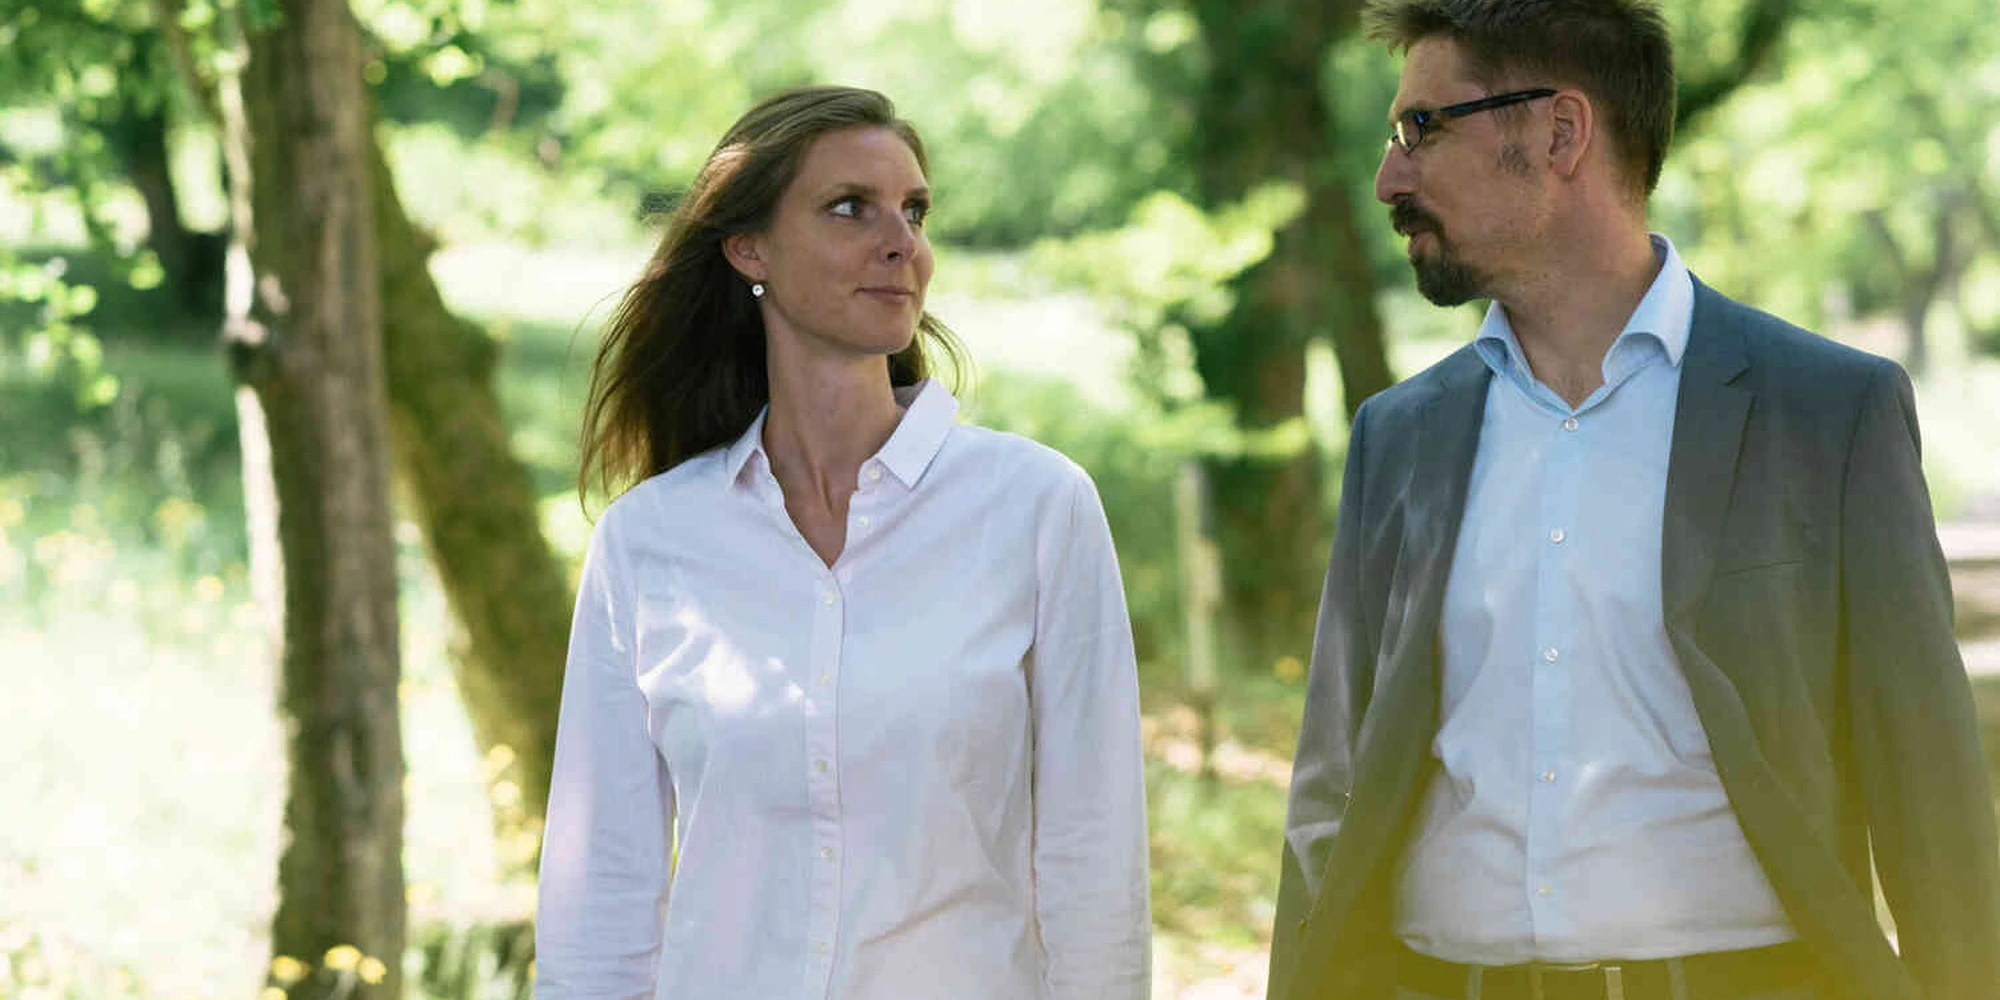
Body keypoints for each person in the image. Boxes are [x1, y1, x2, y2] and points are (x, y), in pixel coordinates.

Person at [1270, 3, 2000, 999]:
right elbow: (1330, 799)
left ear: (1560, 132)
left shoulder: (1827, 413)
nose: (1389, 178)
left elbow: (1929, 799)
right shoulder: (1396, 438)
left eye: (1421, 127)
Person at [534, 86, 1151, 1000]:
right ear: (750, 249)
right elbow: (601, 895)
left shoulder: (1035, 507)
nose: (901, 242)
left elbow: (1093, 860)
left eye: (915, 211)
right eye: (850, 208)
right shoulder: (649, 543)